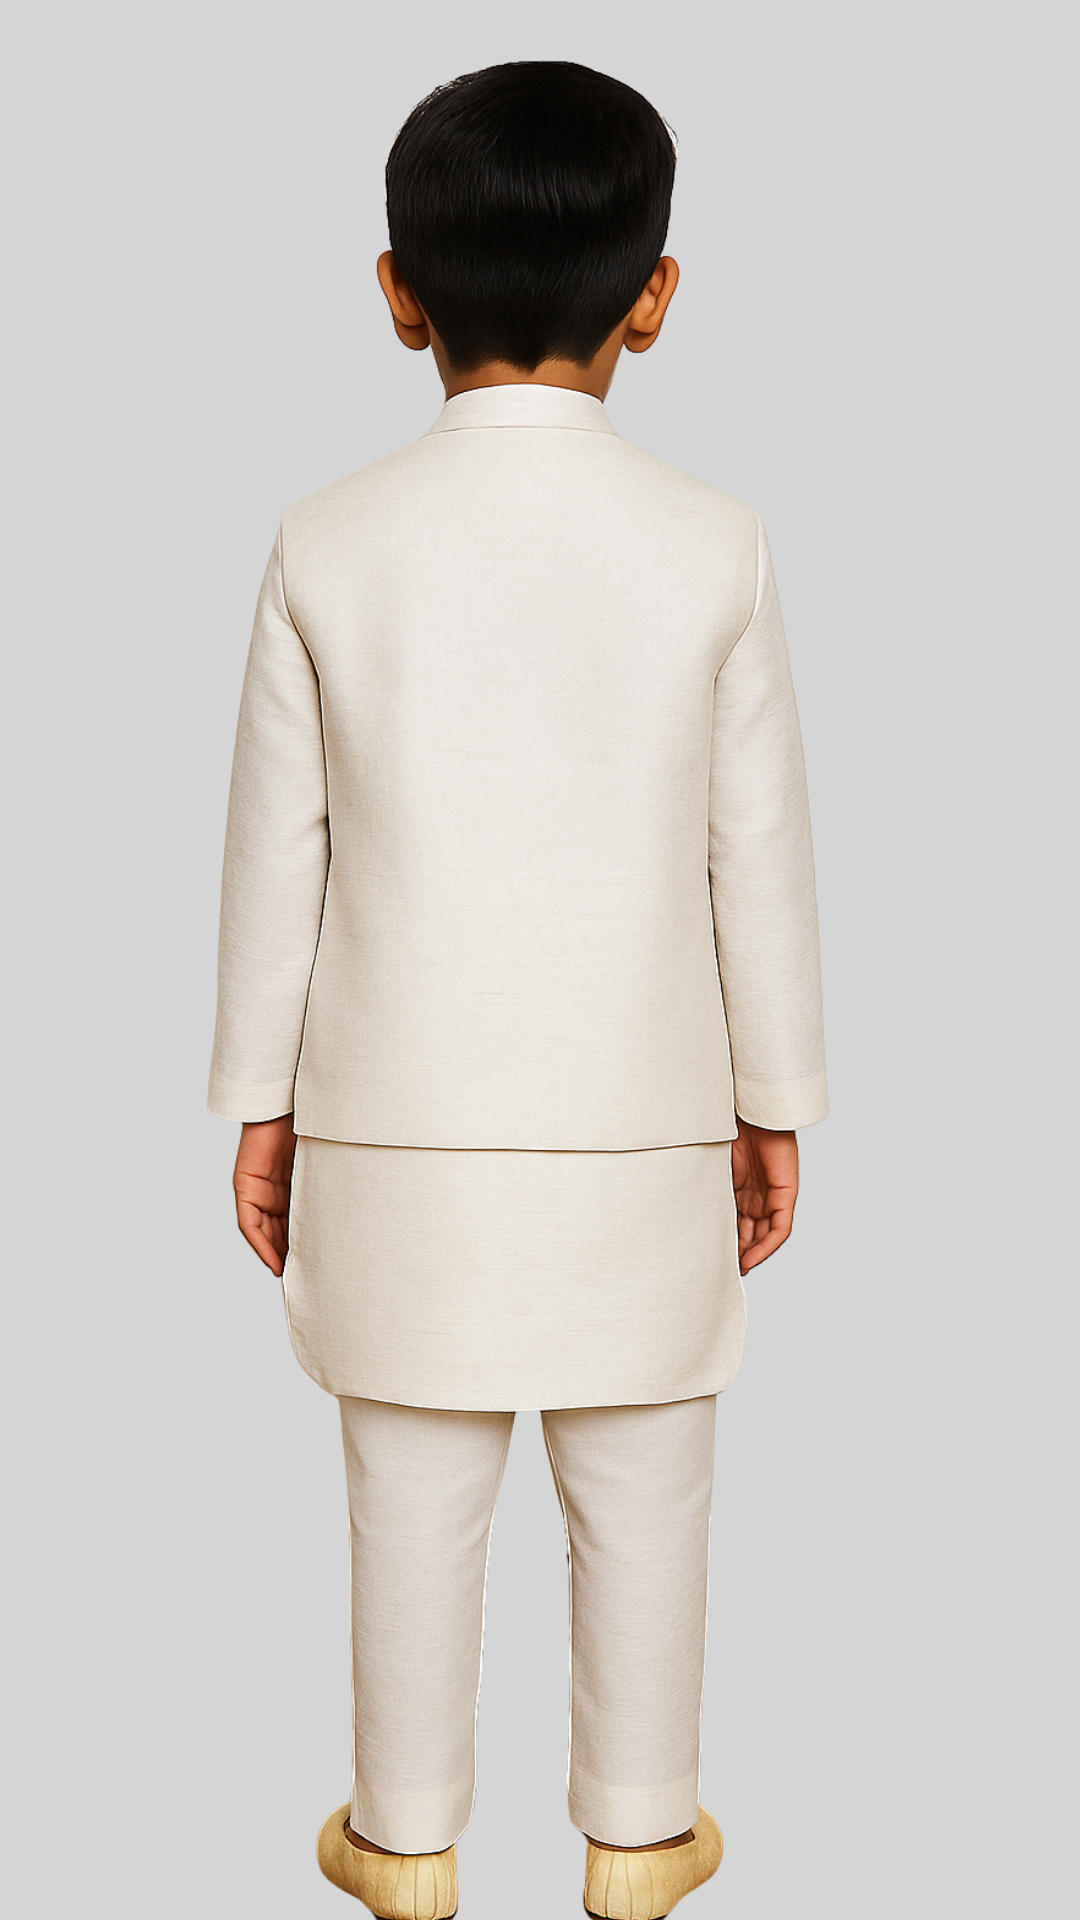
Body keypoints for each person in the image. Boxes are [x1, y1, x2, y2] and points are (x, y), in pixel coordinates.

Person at [208, 59, 827, 1920]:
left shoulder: (327, 537)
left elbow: (277, 859)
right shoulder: (715, 539)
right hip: (645, 1126)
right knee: (647, 1490)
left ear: (398, 294)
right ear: (656, 296)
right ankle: (640, 1837)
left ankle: (404, 1842)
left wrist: (260, 1101)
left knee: (407, 1494)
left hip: (392, 1130)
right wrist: (776, 1102)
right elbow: (758, 857)